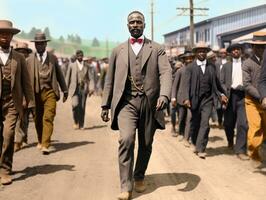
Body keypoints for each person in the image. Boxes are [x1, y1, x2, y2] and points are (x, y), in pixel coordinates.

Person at [101, 11, 172, 200]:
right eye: (131, 22)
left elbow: (166, 73)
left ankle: (139, 175)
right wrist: (105, 105)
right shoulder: (118, 51)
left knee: (146, 143)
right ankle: (126, 186)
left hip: (150, 103)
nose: (135, 24)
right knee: (126, 139)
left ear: (144, 25)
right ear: (127, 26)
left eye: (138, 22)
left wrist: (164, 94)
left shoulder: (157, 48)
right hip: (126, 103)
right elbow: (110, 80)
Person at [0, 20, 34, 185]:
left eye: (7, 34)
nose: (4, 37)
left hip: (12, 102)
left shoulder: (19, 58)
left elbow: (26, 83)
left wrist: (30, 102)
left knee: (8, 135)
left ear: (12, 36)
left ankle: (6, 170)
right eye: (2, 34)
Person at [183, 42, 228, 159]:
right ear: (196, 53)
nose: (202, 53)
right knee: (196, 124)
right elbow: (186, 85)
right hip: (194, 100)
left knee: (205, 124)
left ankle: (201, 148)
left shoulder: (212, 66)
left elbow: (217, 83)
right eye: (199, 51)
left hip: (208, 99)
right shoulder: (190, 68)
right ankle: (194, 142)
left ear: (206, 52)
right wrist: (186, 99)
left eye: (204, 51)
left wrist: (222, 94)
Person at [27, 32, 68, 155]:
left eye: (41, 43)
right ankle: (40, 139)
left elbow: (60, 75)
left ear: (45, 44)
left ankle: (45, 144)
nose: (39, 46)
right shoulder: (29, 60)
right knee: (37, 119)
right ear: (35, 45)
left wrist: (64, 90)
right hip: (35, 93)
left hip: (50, 92)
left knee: (48, 117)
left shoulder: (53, 58)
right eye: (37, 44)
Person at [220, 43, 249, 160]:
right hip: (230, 96)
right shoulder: (226, 66)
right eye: (233, 50)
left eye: (238, 49)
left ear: (241, 51)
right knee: (228, 123)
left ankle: (240, 150)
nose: (236, 51)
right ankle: (230, 141)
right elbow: (221, 82)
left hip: (243, 95)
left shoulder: (246, 64)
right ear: (230, 53)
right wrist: (222, 94)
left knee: (243, 124)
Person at [243, 32, 266, 165]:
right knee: (256, 126)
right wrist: (262, 97)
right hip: (252, 101)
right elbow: (246, 85)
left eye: (263, 46)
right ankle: (254, 155)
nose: (261, 49)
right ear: (253, 47)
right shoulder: (247, 63)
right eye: (258, 46)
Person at [13, 42, 34, 152]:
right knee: (17, 119)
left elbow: (29, 83)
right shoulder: (13, 62)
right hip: (14, 96)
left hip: (28, 96)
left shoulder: (30, 64)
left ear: (26, 53)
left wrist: (27, 99)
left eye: (24, 52)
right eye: (19, 51)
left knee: (24, 119)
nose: (21, 53)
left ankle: (21, 138)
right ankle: (17, 141)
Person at [65, 50, 92, 130]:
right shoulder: (72, 65)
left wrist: (91, 88)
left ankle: (81, 124)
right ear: (76, 56)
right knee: (75, 105)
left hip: (83, 89)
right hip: (74, 89)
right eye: (78, 56)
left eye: (81, 56)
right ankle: (76, 121)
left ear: (83, 56)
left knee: (82, 107)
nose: (80, 57)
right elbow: (67, 78)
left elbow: (90, 78)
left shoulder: (87, 66)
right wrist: (65, 90)